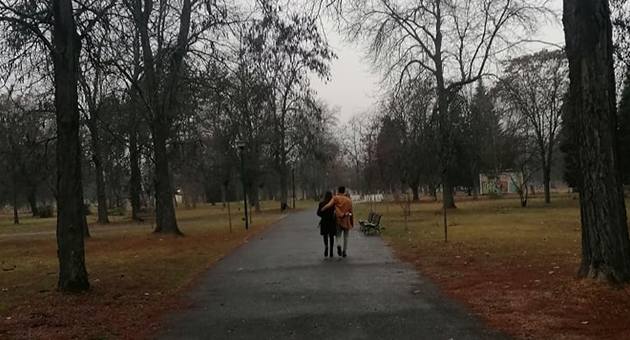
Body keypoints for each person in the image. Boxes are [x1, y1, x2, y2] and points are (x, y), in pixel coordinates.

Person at [322, 186, 354, 258]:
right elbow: (351, 212)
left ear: (338, 191)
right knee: (346, 237)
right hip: (347, 220)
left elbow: (329, 205)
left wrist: (323, 208)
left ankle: (338, 245)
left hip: (338, 220)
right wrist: (352, 221)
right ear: (344, 191)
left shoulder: (336, 198)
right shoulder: (348, 200)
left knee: (338, 235)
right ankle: (344, 251)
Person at [317, 191, 336, 258]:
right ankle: (331, 250)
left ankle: (326, 246)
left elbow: (318, 213)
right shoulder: (333, 204)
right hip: (331, 221)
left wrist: (323, 216)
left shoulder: (321, 203)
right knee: (331, 236)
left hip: (324, 221)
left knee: (325, 235)